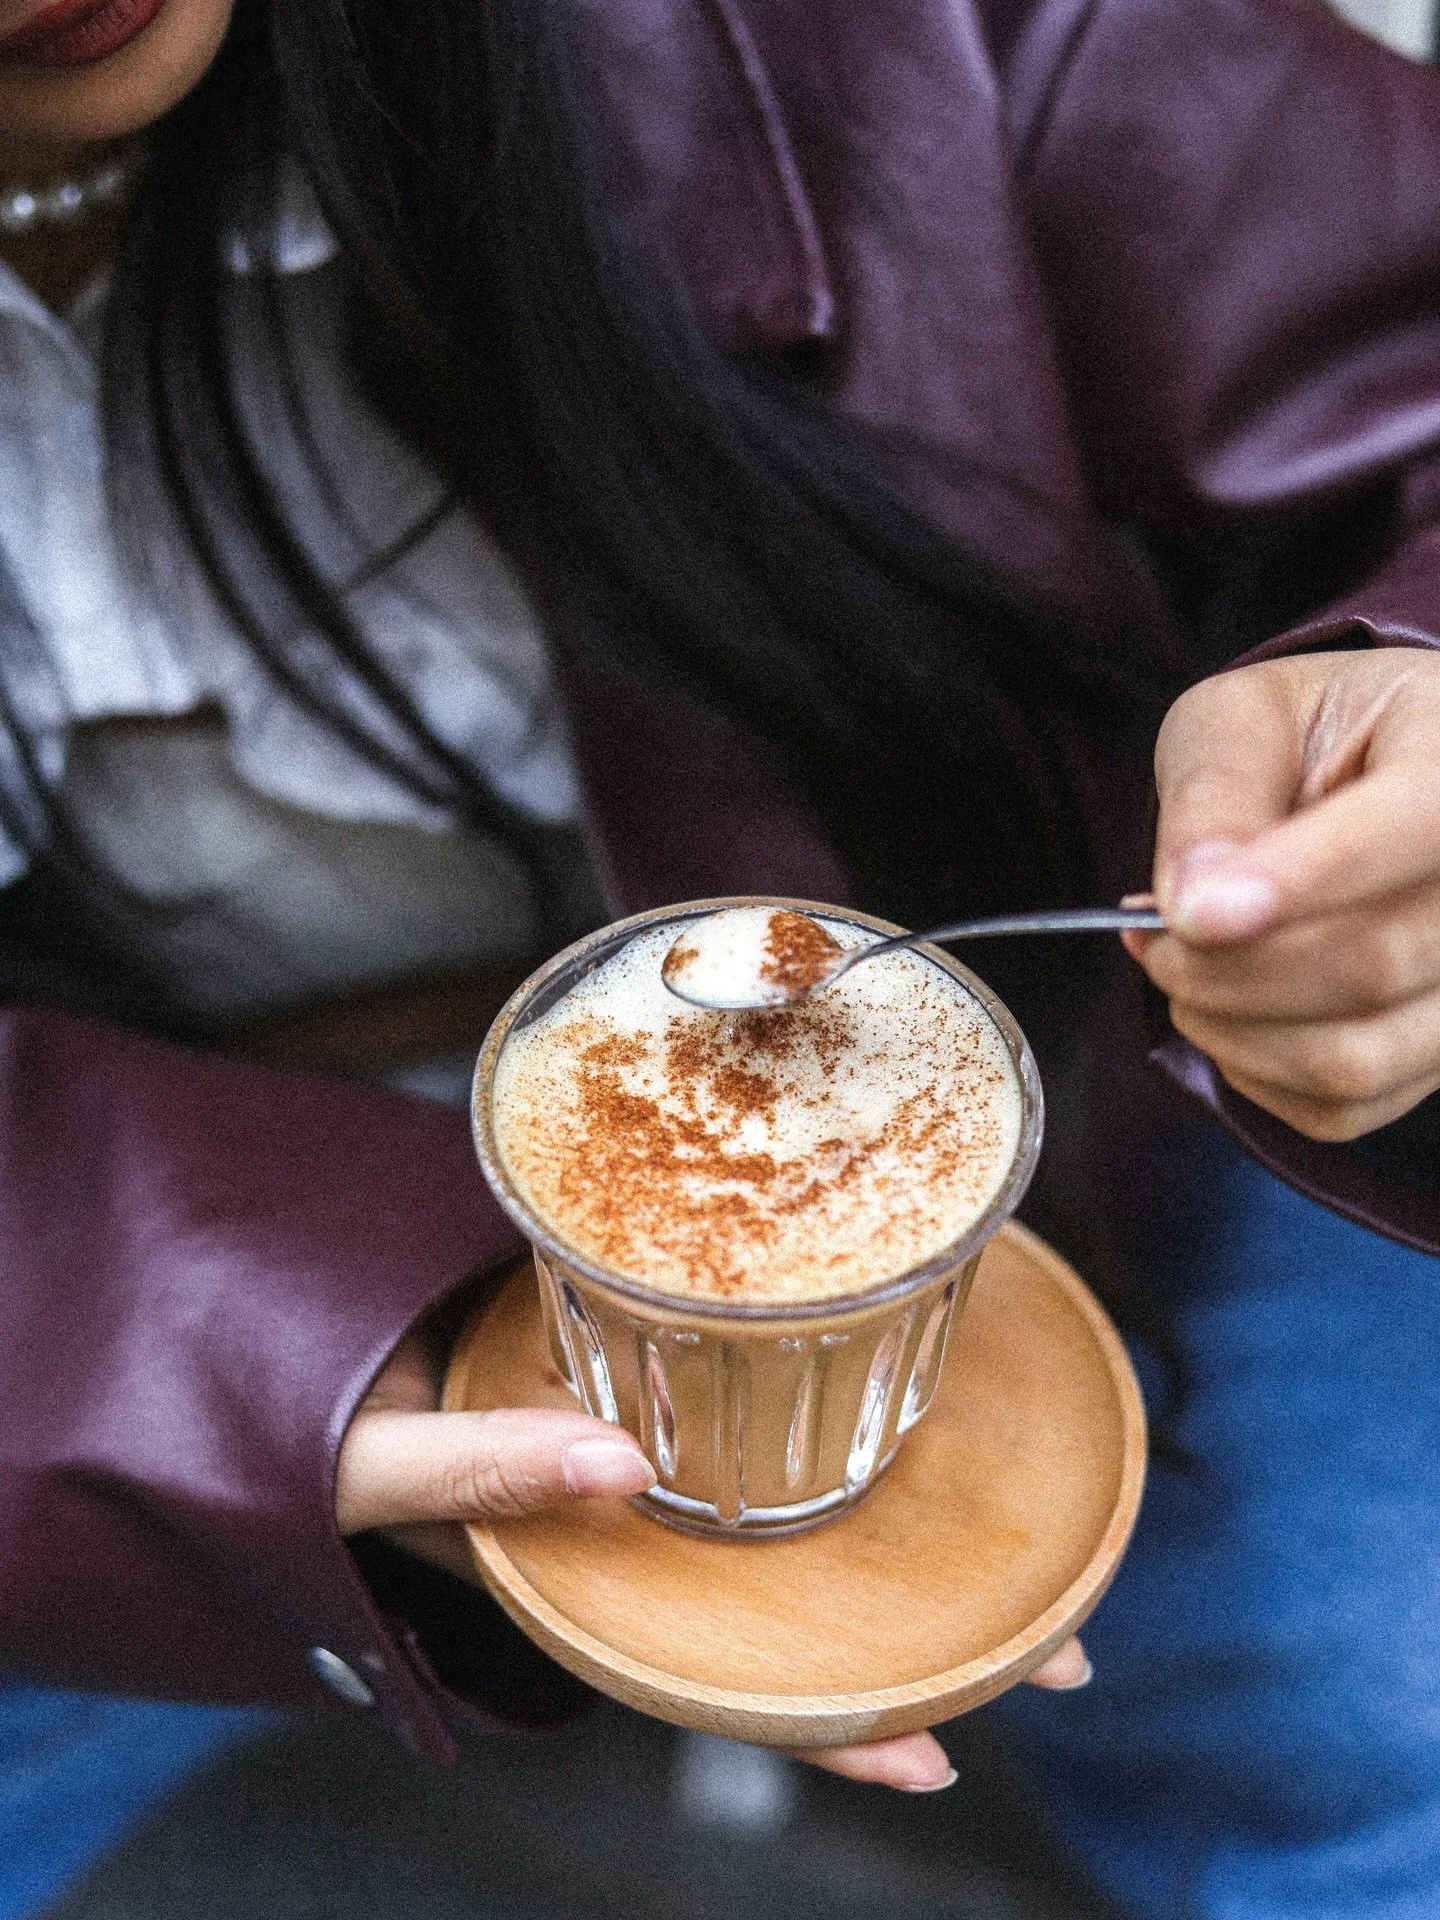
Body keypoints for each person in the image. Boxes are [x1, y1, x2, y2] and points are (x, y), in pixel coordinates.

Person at [2, 0, 1440, 1914]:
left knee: (1376, 1746)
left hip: (1099, 1097)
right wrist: (166, 1358)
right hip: (83, 1243)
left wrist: (1403, 696)